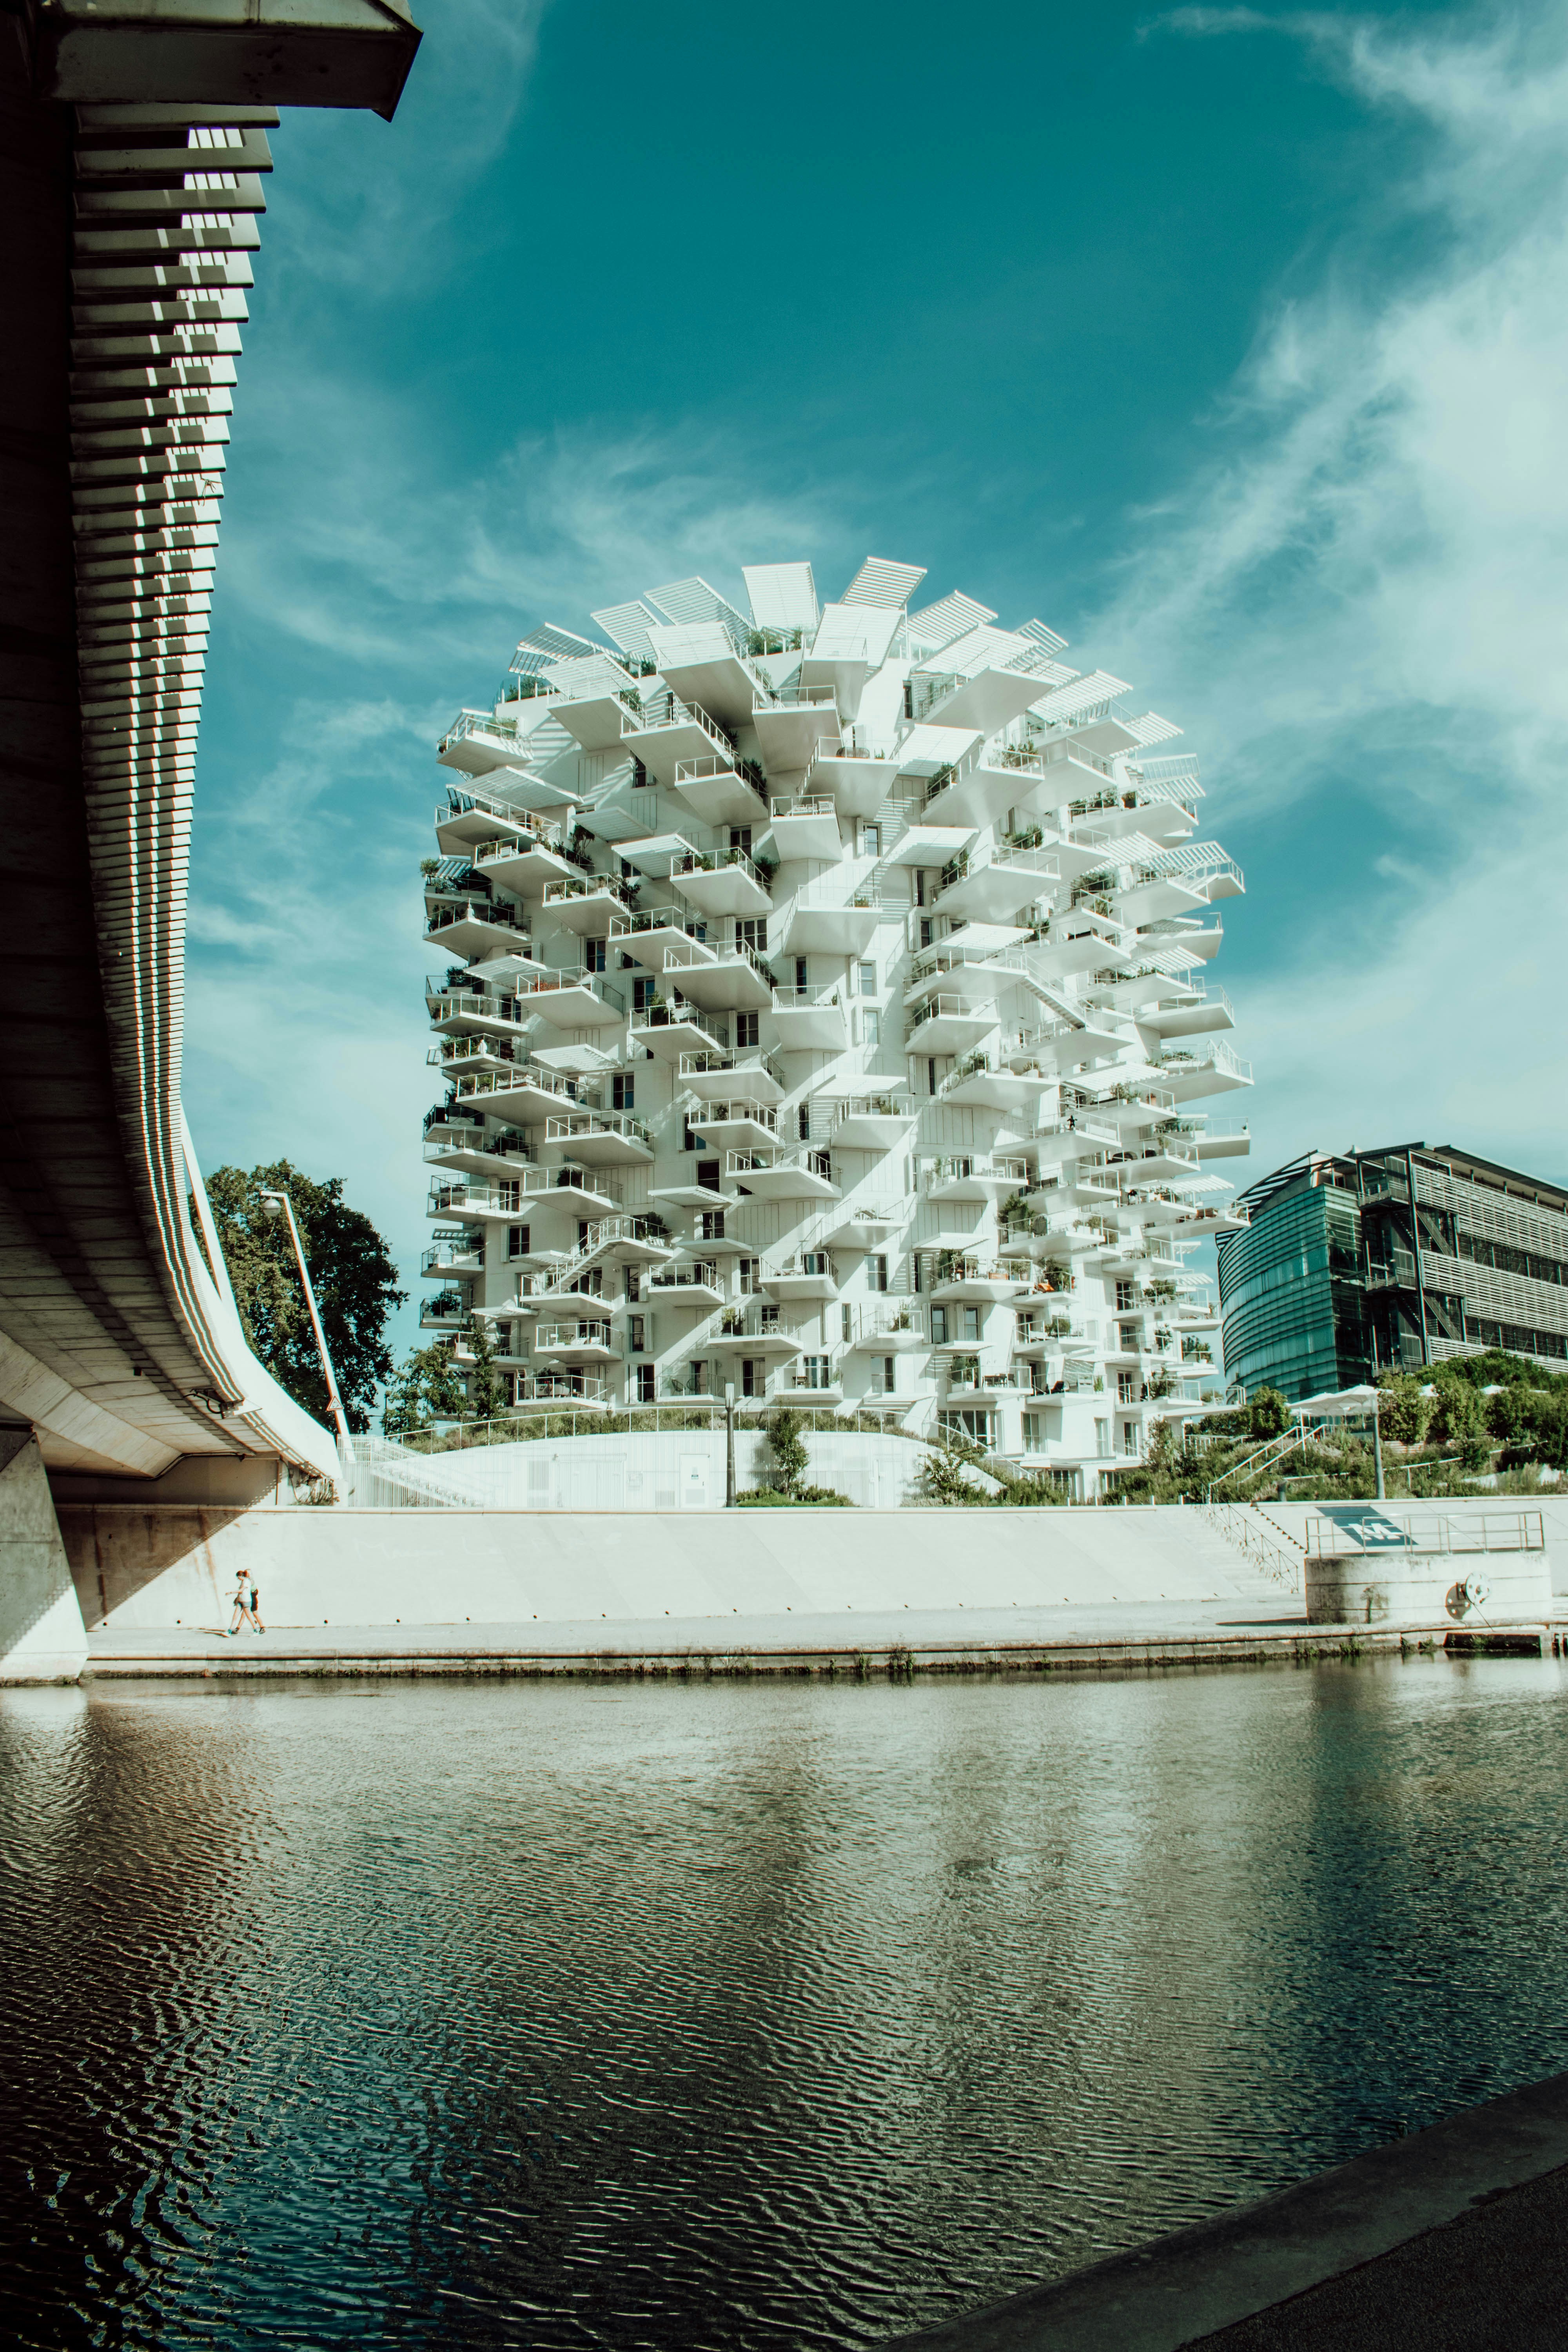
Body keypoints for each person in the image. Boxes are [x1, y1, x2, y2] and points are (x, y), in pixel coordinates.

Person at [227, 1566, 257, 1637]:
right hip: (241, 1601)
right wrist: (237, 1600)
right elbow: (240, 1593)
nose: (238, 1579)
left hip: (246, 1602)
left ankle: (256, 1631)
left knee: (249, 1617)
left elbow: (241, 1591)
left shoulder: (247, 1582)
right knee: (235, 1616)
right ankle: (229, 1631)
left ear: (241, 1576)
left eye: (238, 1577)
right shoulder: (243, 1582)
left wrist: (230, 1593)